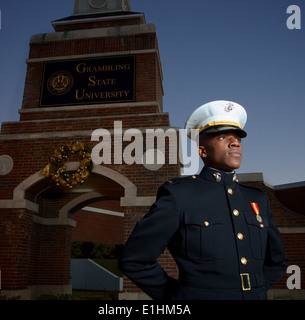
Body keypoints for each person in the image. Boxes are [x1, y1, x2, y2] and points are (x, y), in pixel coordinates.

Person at [119, 100, 287, 300]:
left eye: (238, 139)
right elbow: (134, 259)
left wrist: (255, 290)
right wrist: (180, 297)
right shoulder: (180, 195)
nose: (235, 143)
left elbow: (277, 261)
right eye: (223, 137)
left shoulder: (257, 199)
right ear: (202, 151)